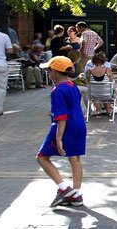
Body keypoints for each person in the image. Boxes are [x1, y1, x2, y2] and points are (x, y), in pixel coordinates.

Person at [36, 56, 87, 208]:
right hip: (79, 125)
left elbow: (61, 116)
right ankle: (76, 194)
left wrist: (58, 137)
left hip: (64, 128)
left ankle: (64, 188)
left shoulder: (58, 90)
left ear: (56, 72)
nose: (48, 73)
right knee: (75, 158)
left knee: (42, 157)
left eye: (49, 70)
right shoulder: (73, 86)